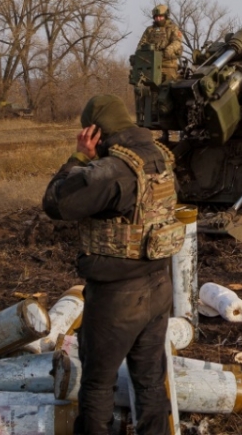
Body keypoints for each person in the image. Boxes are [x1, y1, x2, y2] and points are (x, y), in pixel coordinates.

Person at [42, 95, 184, 435]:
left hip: (117, 296)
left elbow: (56, 203)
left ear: (94, 131)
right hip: (159, 286)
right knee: (149, 381)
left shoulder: (110, 171)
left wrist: (78, 157)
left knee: (97, 384)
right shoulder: (161, 158)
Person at [136, 4, 184, 83]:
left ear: (165, 16)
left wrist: (169, 50)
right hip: (151, 64)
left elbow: (177, 41)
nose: (158, 19)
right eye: (156, 17)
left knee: (169, 85)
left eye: (160, 16)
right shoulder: (150, 30)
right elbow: (141, 44)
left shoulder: (173, 28)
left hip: (168, 64)